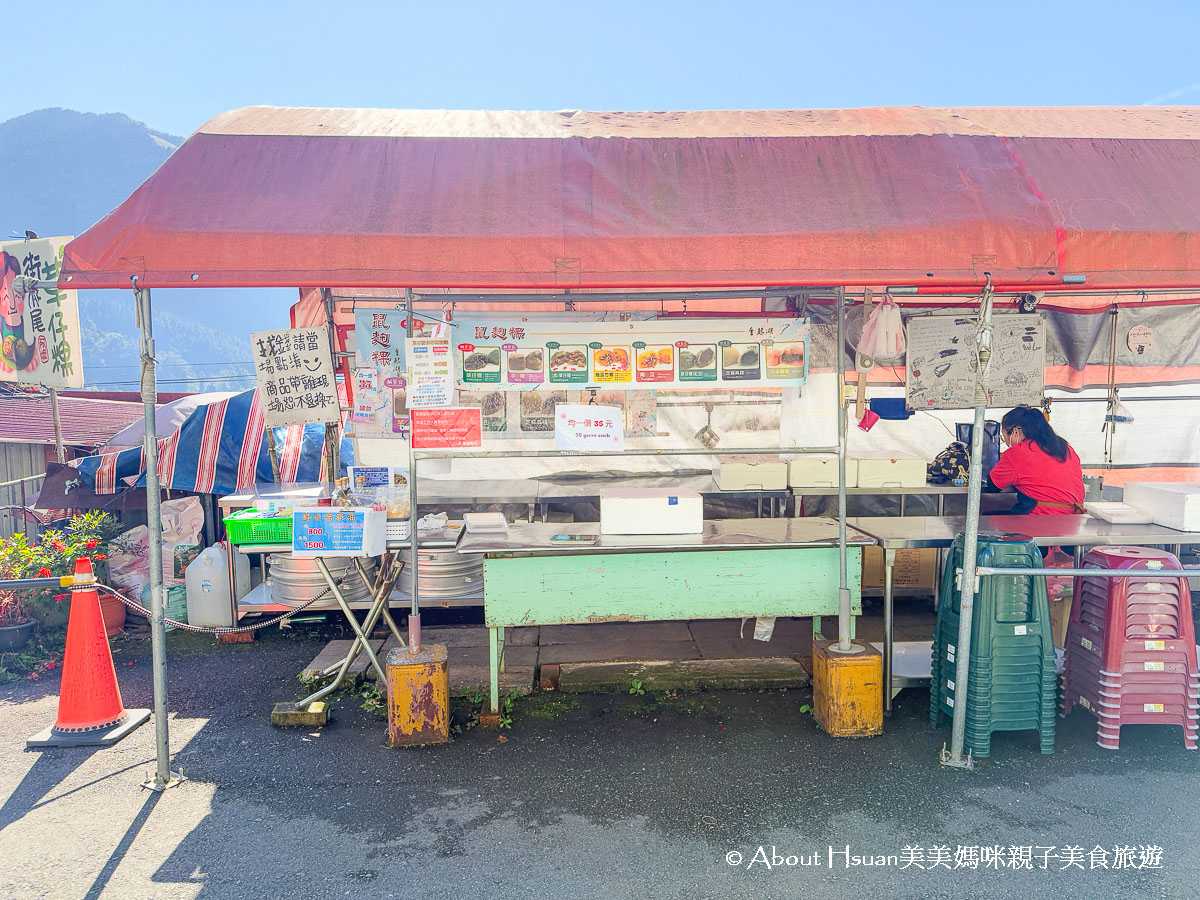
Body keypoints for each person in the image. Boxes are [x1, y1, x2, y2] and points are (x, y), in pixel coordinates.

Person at [987, 406, 1084, 515]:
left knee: (988, 519)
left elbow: (993, 485)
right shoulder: (1066, 448)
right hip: (1073, 518)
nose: (1006, 443)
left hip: (1040, 518)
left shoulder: (1018, 452)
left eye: (1004, 437)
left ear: (1015, 432)